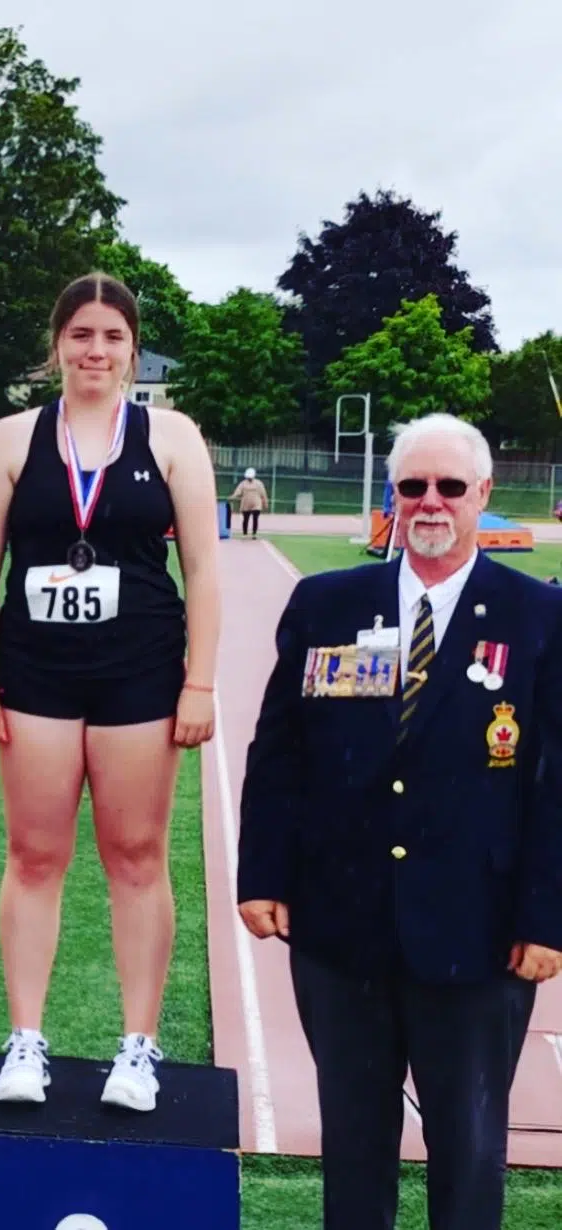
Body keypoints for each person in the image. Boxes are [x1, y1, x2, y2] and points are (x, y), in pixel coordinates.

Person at [238, 412, 562, 1230]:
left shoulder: (539, 619)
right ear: (392, 497)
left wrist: (547, 915)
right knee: (352, 1148)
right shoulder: (325, 604)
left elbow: (554, 781)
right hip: (341, 926)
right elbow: (280, 752)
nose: (430, 502)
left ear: (482, 496)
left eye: (450, 487)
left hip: (478, 935)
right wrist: (264, 875)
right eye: (412, 486)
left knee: (470, 1150)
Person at [0, 272, 220, 1111]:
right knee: (35, 856)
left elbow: (206, 571)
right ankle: (26, 1040)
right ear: (57, 345)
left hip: (140, 676)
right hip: (35, 677)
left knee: (137, 859)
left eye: (112, 336)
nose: (95, 350)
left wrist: (200, 684)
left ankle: (136, 1049)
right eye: (81, 335)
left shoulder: (172, 437)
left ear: (132, 349)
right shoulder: (10, 440)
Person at [229, 467, 269, 537]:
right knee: (245, 519)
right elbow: (238, 491)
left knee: (255, 518)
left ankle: (254, 533)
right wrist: (233, 496)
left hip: (256, 504)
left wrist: (265, 503)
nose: (249, 478)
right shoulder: (243, 484)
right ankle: (245, 533)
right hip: (245, 504)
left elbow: (263, 494)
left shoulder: (259, 484)